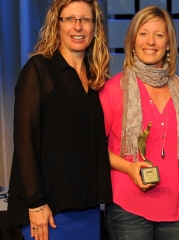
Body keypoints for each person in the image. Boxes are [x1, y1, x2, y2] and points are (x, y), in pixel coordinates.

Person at [7, 0, 112, 239]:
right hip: (48, 210)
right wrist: (36, 203)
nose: (78, 26)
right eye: (70, 19)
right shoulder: (38, 70)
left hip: (87, 208)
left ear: (95, 28)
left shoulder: (95, 78)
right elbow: (24, 141)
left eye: (85, 20)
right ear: (57, 24)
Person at [99, 6, 179, 240]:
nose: (150, 41)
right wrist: (129, 168)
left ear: (168, 44)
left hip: (176, 208)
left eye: (159, 35)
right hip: (127, 207)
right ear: (132, 41)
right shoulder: (113, 89)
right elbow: (94, 148)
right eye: (143, 33)